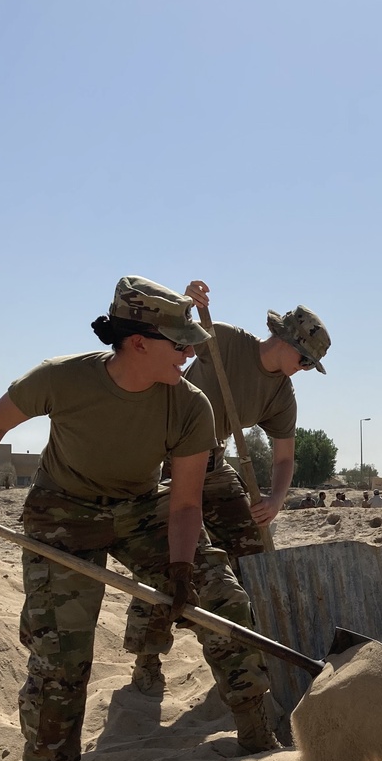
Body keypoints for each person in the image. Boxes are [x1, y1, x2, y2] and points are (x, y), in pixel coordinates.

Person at [0, 277, 277, 761]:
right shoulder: (59, 379)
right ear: (137, 342)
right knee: (60, 651)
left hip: (142, 510)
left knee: (220, 596)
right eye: (179, 344)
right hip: (62, 515)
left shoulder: (190, 405)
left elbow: (185, 504)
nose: (190, 354)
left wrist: (182, 571)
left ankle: (256, 728)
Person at [125, 280, 330, 692]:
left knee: (252, 549)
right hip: (166, 462)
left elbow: (285, 457)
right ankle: (147, 658)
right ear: (286, 342)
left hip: (214, 465)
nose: (305, 370)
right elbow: (173, 338)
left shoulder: (282, 395)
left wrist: (275, 498)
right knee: (167, 557)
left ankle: (256, 649)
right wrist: (188, 304)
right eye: (305, 360)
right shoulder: (225, 341)